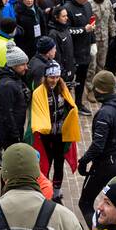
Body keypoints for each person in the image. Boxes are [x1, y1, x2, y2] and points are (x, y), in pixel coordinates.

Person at [77, 70, 116, 228]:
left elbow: (98, 146)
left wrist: (83, 161)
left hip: (104, 166)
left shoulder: (105, 114)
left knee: (85, 203)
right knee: (113, 204)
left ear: (100, 90)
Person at [29, 61, 80, 202]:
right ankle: (44, 189)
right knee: (45, 163)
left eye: (57, 77)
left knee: (59, 163)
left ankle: (56, 192)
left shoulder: (62, 88)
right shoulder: (39, 93)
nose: (55, 80)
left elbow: (70, 106)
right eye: (52, 77)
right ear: (46, 77)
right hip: (45, 135)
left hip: (60, 134)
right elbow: (36, 113)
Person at [0, 45, 31, 161]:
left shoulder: (15, 77)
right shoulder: (7, 85)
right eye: (23, 64)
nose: (26, 68)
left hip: (15, 128)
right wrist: (15, 135)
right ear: (14, 65)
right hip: (10, 133)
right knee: (13, 163)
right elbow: (6, 113)